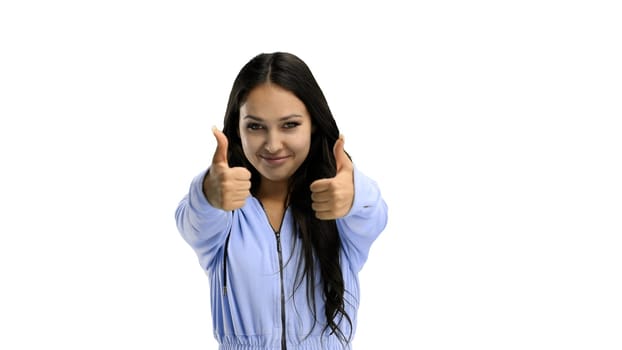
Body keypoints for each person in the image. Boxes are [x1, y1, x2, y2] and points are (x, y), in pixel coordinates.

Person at [174, 52, 388, 350]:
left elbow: (375, 214)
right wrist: (208, 192)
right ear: (237, 128)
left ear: (313, 123)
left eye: (289, 125)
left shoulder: (337, 204)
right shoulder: (224, 212)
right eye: (255, 126)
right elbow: (192, 220)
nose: (273, 144)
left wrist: (355, 194)